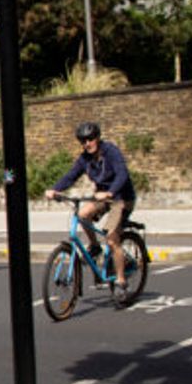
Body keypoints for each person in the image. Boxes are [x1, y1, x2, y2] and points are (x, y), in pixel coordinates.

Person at [45, 121, 135, 284]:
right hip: (103, 197)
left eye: (90, 139)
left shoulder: (111, 152)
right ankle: (94, 246)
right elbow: (71, 176)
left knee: (112, 238)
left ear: (98, 138)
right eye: (83, 141)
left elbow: (122, 174)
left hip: (121, 197)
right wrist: (55, 189)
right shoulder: (84, 159)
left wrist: (110, 191)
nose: (87, 143)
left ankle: (121, 281)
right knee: (82, 214)